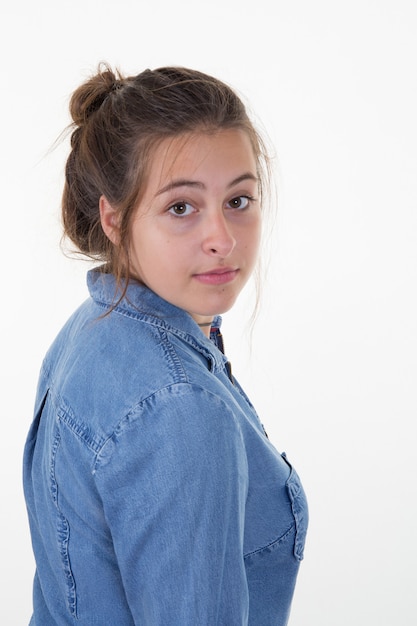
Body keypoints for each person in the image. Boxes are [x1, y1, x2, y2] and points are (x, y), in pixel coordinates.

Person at [23, 64, 308, 626]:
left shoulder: (92, 328)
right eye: (182, 207)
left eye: (239, 200)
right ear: (114, 216)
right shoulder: (179, 406)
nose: (222, 240)